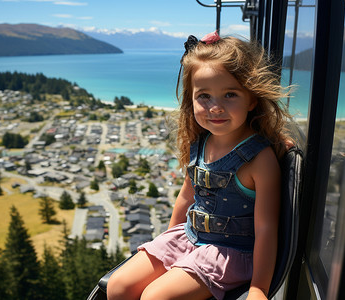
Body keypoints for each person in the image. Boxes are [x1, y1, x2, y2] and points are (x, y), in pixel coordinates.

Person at [107, 31, 291, 300]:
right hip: (189, 237)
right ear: (190, 99)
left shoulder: (258, 159)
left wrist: (258, 288)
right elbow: (186, 196)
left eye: (230, 95)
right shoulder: (200, 143)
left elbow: (266, 229)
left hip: (229, 252)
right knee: (118, 287)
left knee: (155, 297)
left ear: (251, 99)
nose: (215, 107)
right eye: (204, 96)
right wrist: (166, 243)